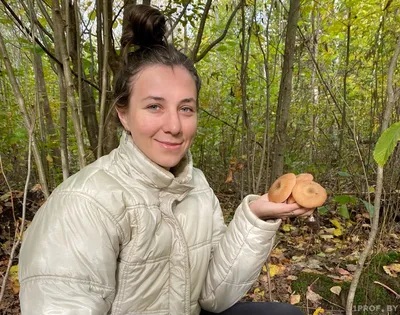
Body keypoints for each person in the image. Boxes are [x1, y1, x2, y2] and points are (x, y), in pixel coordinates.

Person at [18, 4, 313, 315]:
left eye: (186, 108)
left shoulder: (195, 185)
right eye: (154, 107)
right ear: (124, 115)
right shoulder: (85, 203)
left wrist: (255, 217)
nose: (174, 126)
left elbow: (214, 296)